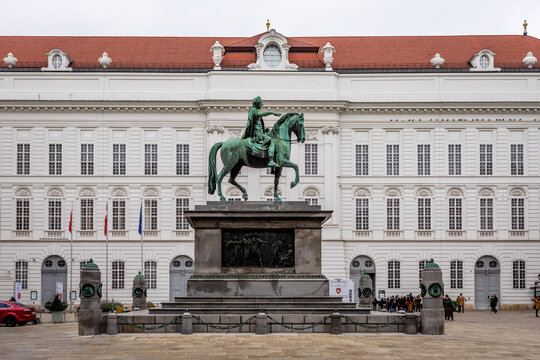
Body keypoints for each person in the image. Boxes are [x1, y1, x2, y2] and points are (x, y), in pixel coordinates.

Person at [242, 96, 281, 167]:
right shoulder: (253, 110)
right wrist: (272, 112)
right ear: (257, 103)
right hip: (257, 134)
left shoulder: (254, 110)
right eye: (261, 103)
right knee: (271, 140)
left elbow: (258, 124)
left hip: (259, 132)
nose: (262, 105)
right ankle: (270, 160)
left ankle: (263, 150)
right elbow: (260, 114)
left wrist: (264, 130)